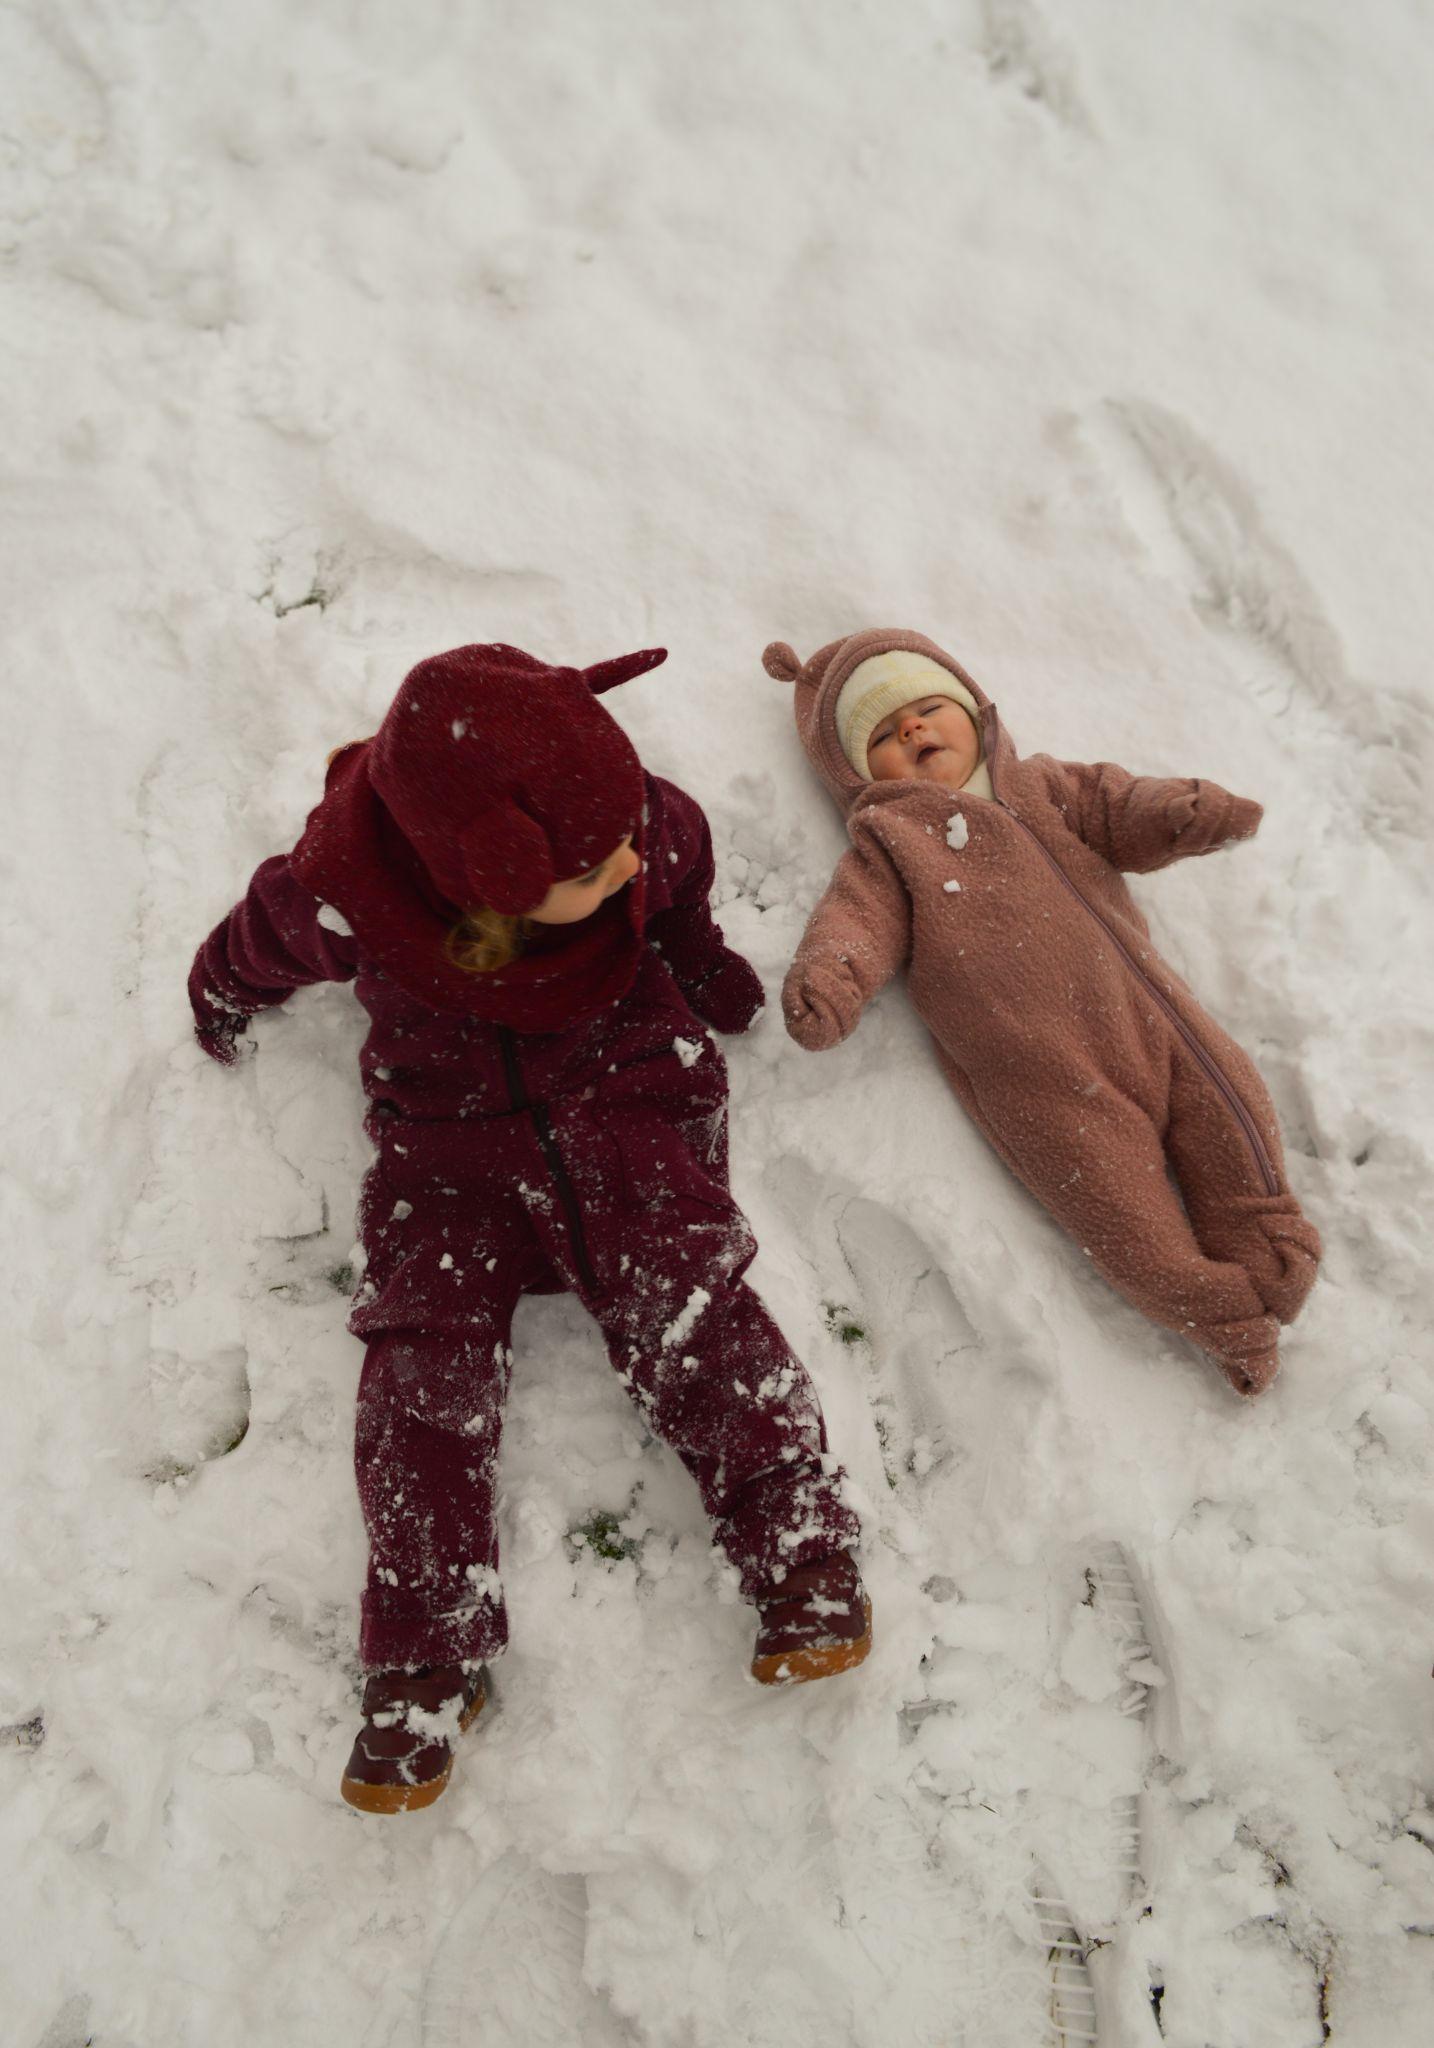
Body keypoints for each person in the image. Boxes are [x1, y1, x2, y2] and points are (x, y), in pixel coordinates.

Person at [189, 640, 870, 1816]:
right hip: (445, 1149)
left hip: (622, 1091)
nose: (625, 860)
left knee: (683, 1293)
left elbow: (681, 859)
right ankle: (424, 1648)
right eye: (588, 867)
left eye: (622, 839)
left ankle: (799, 1542)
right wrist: (222, 990)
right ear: (480, 884)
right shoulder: (352, 893)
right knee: (420, 1364)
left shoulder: (634, 826)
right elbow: (262, 933)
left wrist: (696, 958)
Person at [766, 628, 1321, 1398]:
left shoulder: (1047, 787)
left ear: (975, 712)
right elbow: (855, 921)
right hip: (1046, 1083)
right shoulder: (891, 844)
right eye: (886, 735)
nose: (916, 731)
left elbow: (1125, 808)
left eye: (929, 709)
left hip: (1156, 1022)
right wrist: (831, 977)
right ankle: (1224, 1319)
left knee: (1235, 1111)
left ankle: (1269, 1249)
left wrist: (1182, 815)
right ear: (858, 774)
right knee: (1123, 1222)